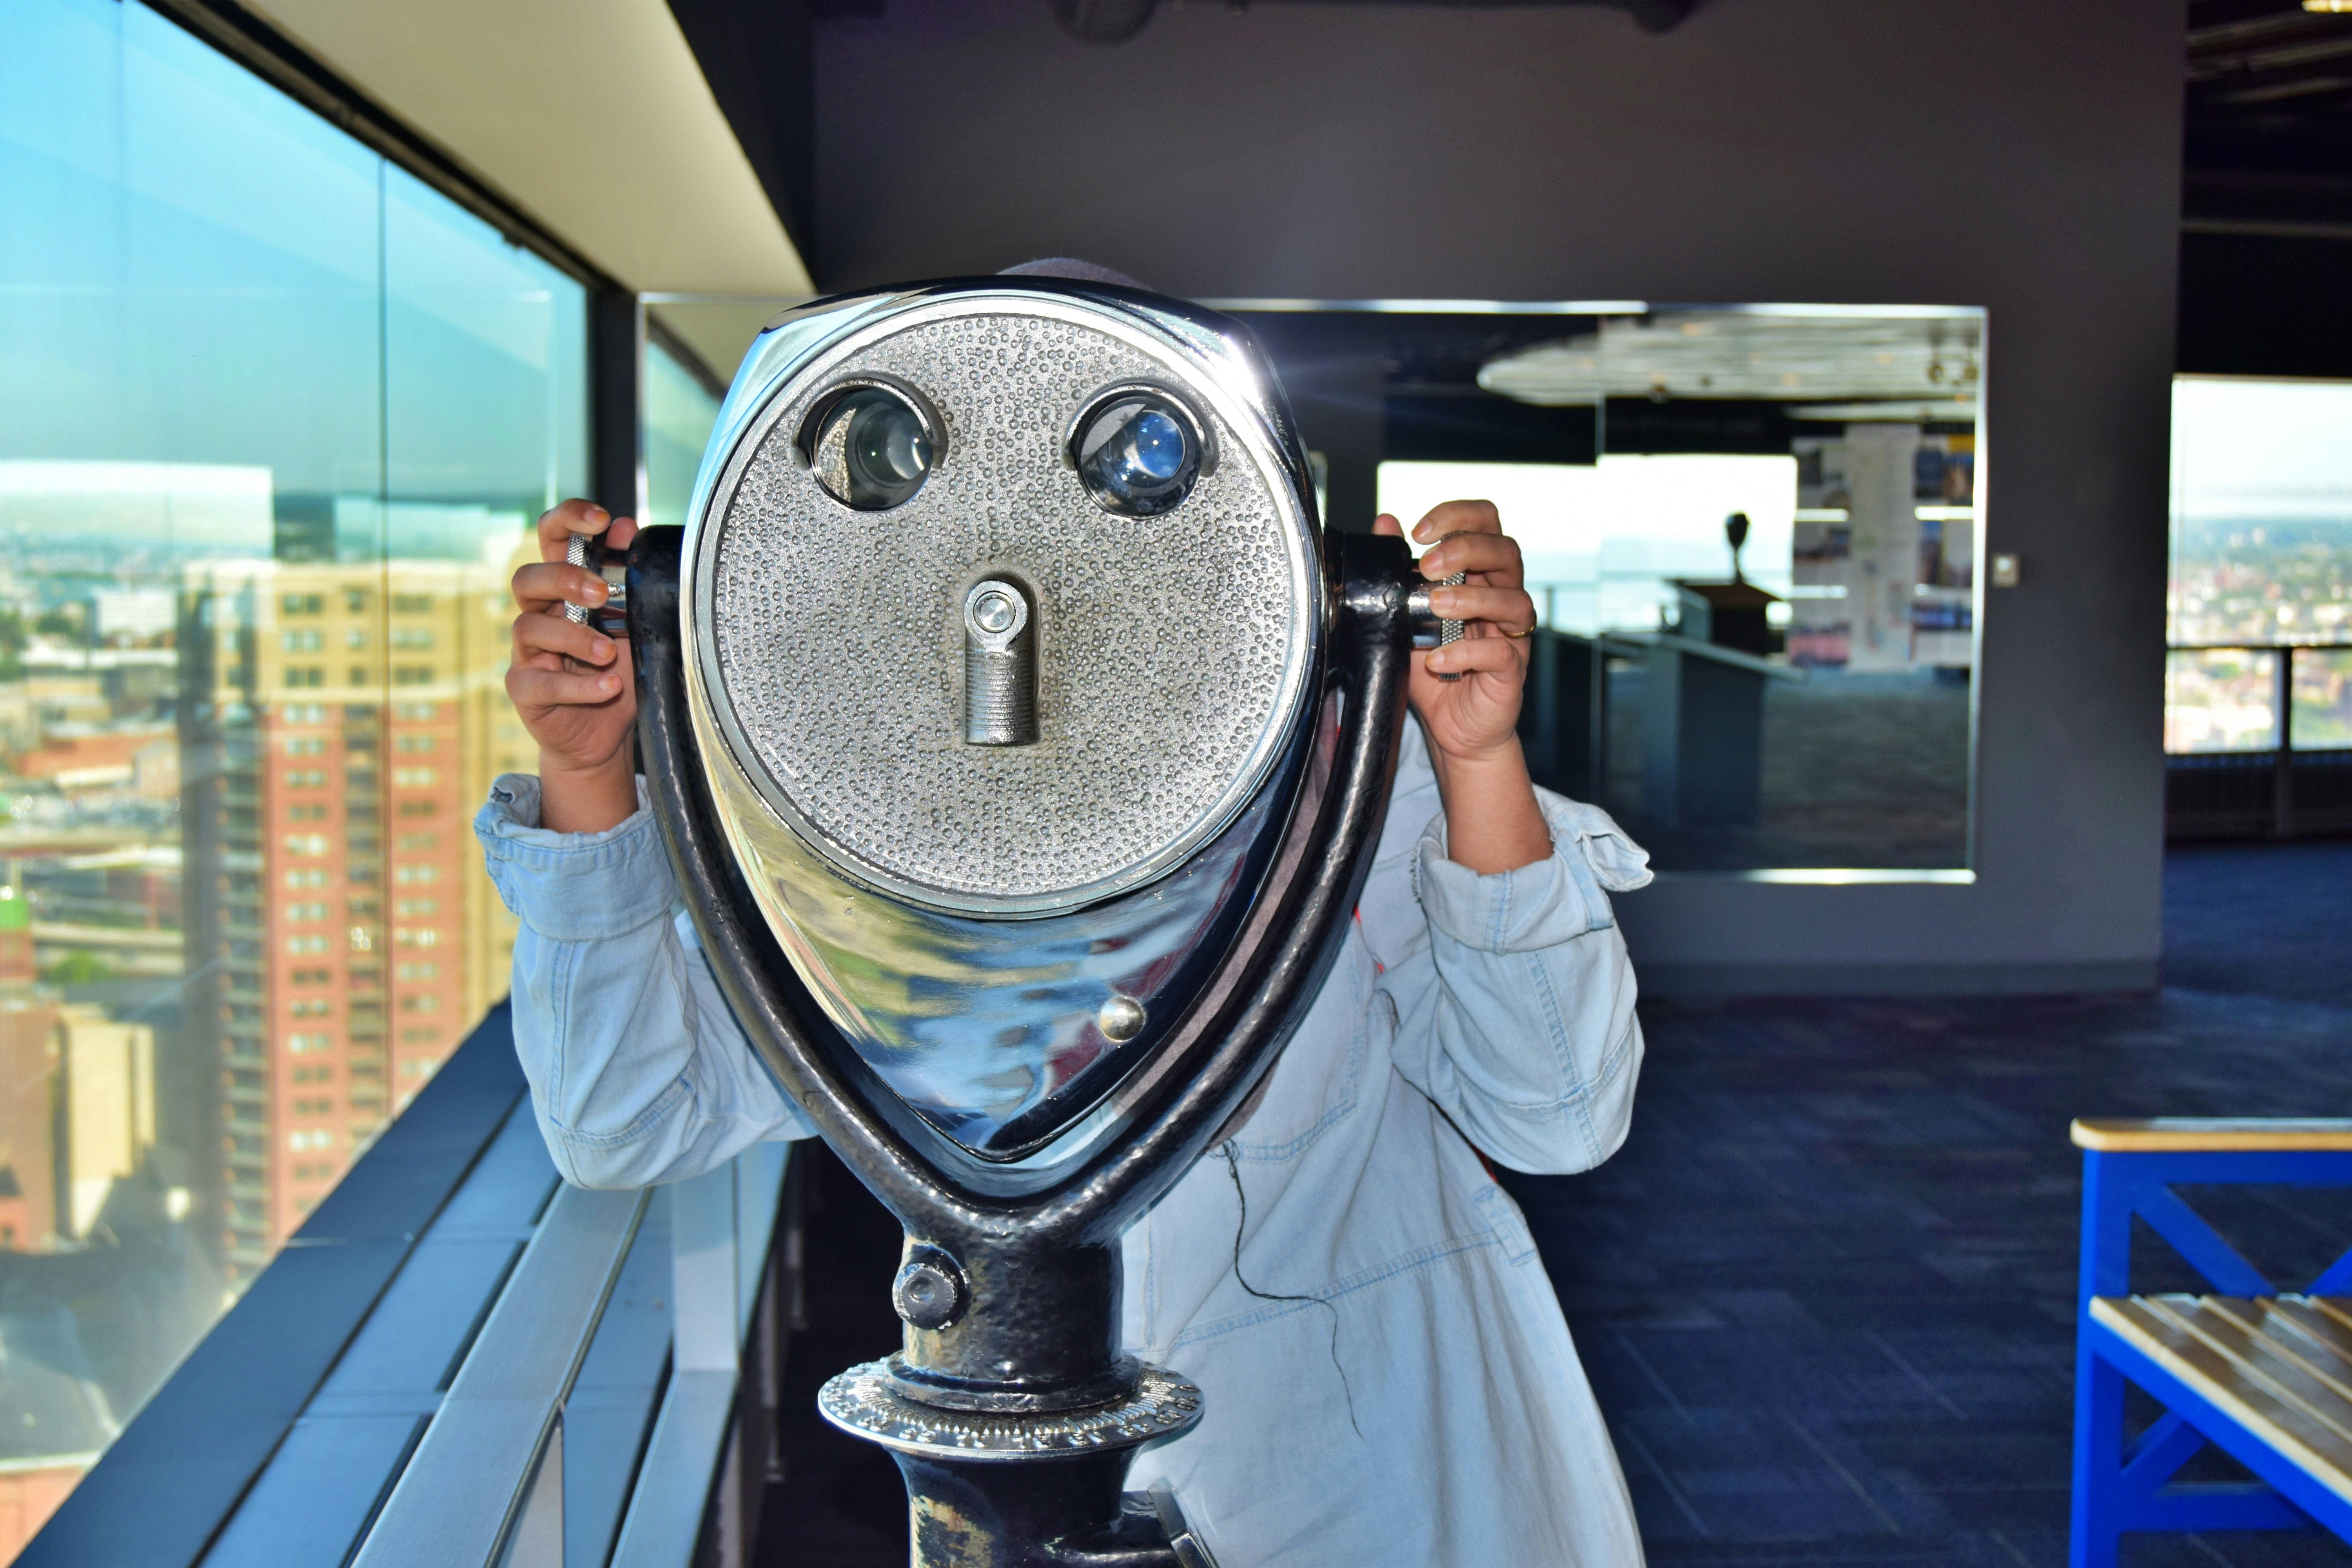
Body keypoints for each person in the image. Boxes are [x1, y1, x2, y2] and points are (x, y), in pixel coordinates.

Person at [478, 428, 1654, 1563]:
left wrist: (1476, 761)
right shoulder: (882, 859)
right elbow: (623, 1120)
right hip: (1022, 1495)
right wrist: (590, 771)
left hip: (1380, 1484)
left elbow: (1554, 1113)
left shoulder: (1339, 790)